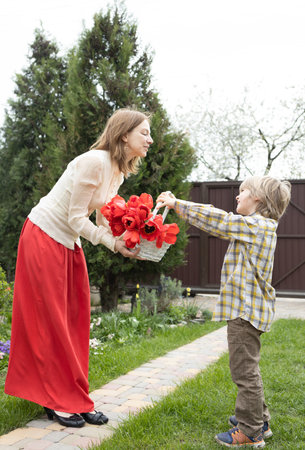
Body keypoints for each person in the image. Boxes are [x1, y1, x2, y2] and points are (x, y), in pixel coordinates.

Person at [5, 108, 153, 428]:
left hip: (68, 243)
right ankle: (56, 401)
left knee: (75, 321)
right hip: (44, 236)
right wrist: (111, 244)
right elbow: (75, 218)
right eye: (144, 133)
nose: (150, 139)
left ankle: (75, 397)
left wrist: (129, 243)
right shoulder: (93, 162)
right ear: (124, 134)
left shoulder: (117, 170)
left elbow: (102, 216)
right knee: (53, 323)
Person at [157, 176, 291, 448]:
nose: (237, 197)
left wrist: (176, 204)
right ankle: (259, 421)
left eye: (244, 192)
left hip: (245, 313)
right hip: (248, 311)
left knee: (244, 372)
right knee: (248, 368)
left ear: (259, 200)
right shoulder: (258, 227)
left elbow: (219, 220)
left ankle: (250, 432)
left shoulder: (256, 226)